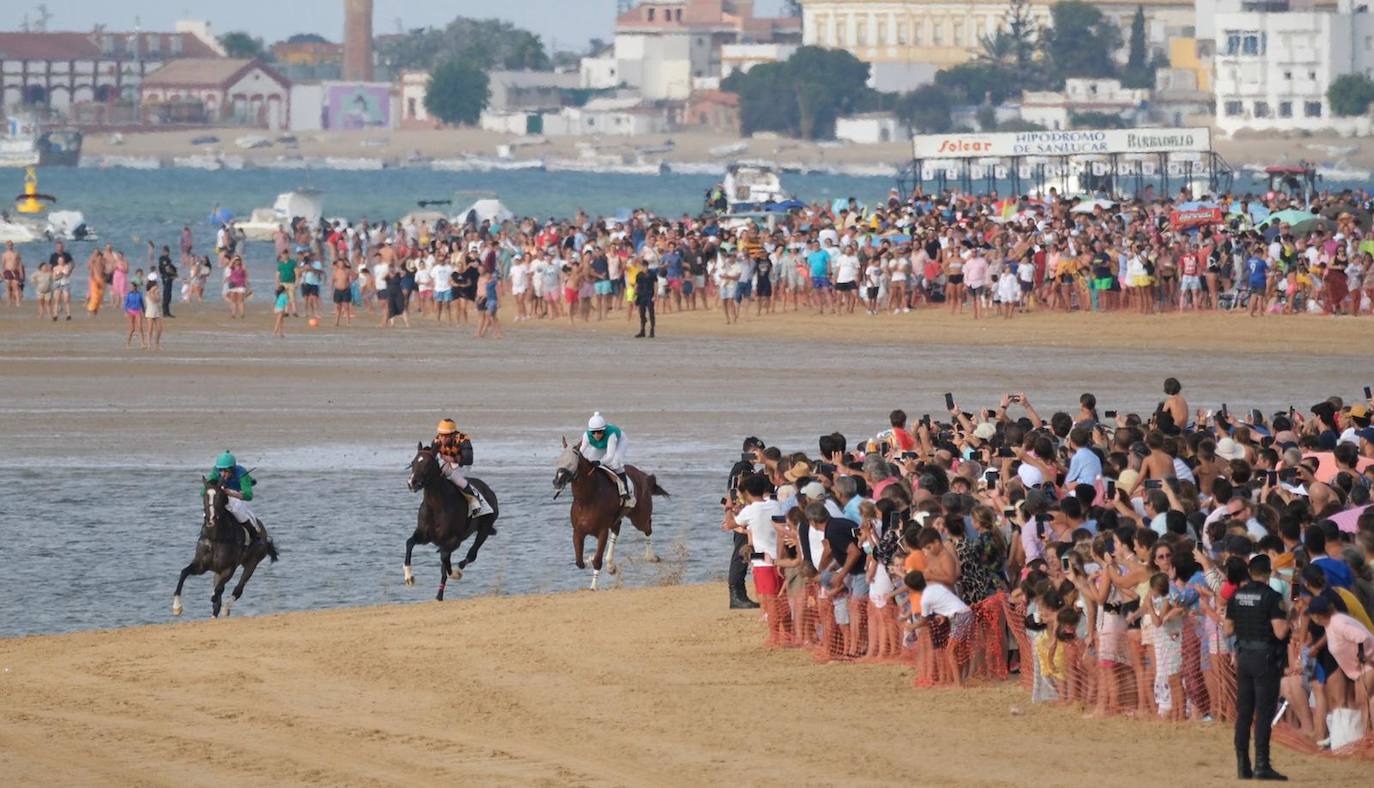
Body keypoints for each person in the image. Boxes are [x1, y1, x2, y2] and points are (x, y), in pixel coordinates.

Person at [1224, 554, 1289, 781]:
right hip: (1265, 658)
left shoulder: (1236, 596)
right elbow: (1280, 631)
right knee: (1263, 713)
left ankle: (1243, 764)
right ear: (1269, 573)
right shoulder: (1272, 597)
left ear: (1250, 572)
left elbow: (1228, 629)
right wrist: (1290, 618)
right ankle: (1262, 763)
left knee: (1244, 712)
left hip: (1244, 657)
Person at [433, 418, 494, 516]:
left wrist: (453, 460)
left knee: (455, 478)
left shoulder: (463, 440)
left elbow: (469, 460)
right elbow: (432, 457)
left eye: (446, 436)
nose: (442, 438)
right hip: (446, 464)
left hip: (462, 466)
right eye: (441, 435)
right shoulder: (437, 440)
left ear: (453, 434)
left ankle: (476, 502)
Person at [577, 411, 632, 507]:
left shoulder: (611, 435)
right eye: (593, 432)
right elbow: (580, 452)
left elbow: (610, 456)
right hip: (602, 444)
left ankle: (625, 491)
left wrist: (600, 462)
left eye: (599, 432)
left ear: (604, 430)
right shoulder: (586, 436)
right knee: (590, 460)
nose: (596, 435)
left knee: (615, 462)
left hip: (619, 442)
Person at [210, 450, 265, 545]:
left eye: (226, 471)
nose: (223, 474)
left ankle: (254, 535)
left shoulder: (242, 473)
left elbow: (248, 495)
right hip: (221, 495)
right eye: (221, 470)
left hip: (237, 496)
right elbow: (205, 490)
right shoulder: (215, 471)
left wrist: (231, 493)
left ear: (232, 469)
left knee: (236, 510)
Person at [634, 261, 657, 338]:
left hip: (649, 295)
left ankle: (652, 330)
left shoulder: (652, 274)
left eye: (645, 266)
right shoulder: (639, 275)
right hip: (641, 295)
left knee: (651, 313)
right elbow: (636, 285)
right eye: (642, 266)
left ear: (647, 266)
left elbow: (655, 284)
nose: (644, 268)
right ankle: (642, 330)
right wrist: (635, 295)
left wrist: (655, 295)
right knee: (642, 313)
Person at [157, 246, 178, 318]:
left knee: (168, 295)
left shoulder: (165, 259)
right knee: (166, 295)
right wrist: (174, 274)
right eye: (167, 252)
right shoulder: (164, 259)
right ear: (165, 252)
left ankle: (167, 312)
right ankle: (165, 312)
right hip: (166, 278)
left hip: (168, 278)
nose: (168, 253)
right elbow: (167, 269)